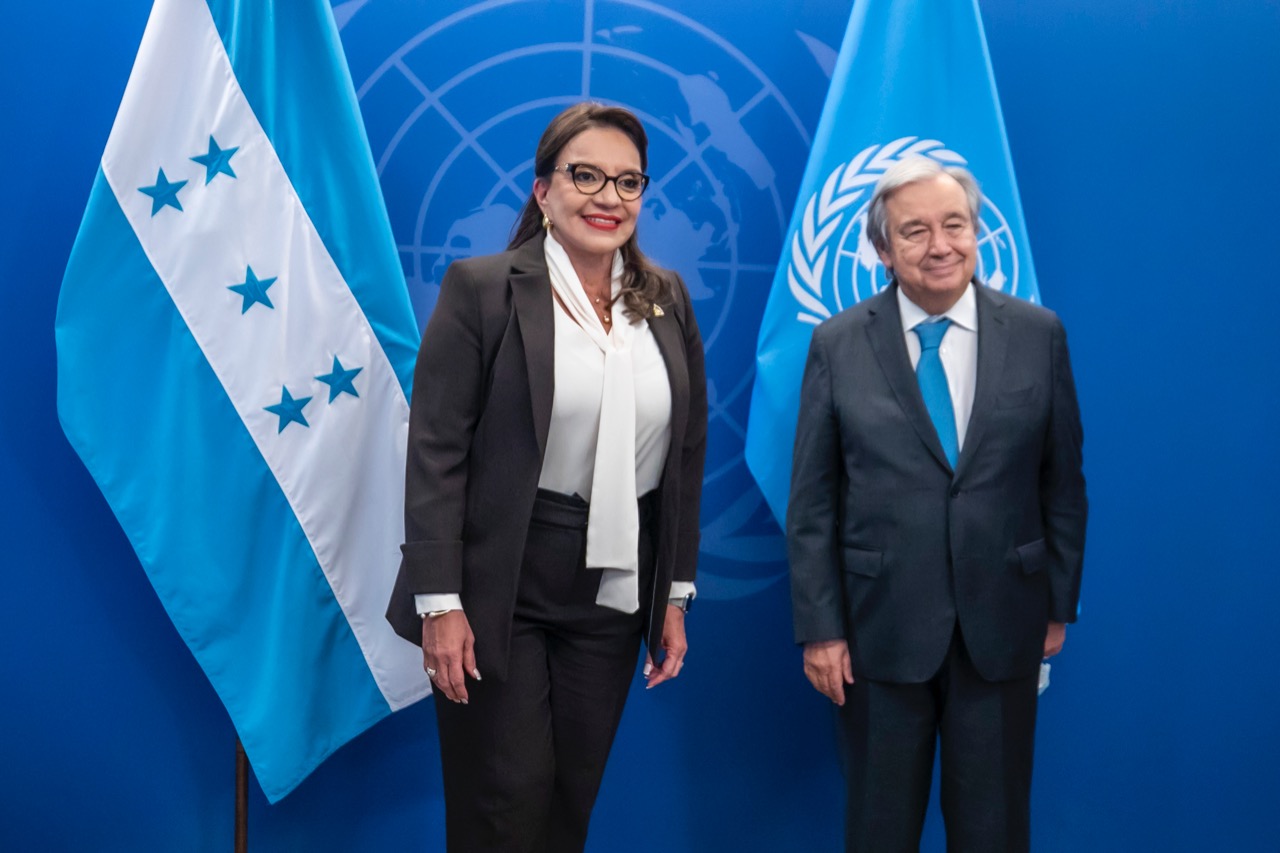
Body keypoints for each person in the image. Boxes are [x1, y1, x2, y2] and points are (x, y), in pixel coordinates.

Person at [385, 103, 707, 853]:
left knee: (570, 797)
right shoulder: (484, 288)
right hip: (502, 579)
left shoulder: (666, 298)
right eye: (586, 175)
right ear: (543, 189)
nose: (609, 197)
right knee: (503, 801)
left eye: (628, 182)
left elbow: (684, 452)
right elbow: (436, 450)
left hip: (615, 584)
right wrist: (440, 600)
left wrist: (675, 593)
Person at [787, 156, 1087, 852]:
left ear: (978, 232)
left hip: (1003, 628)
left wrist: (1056, 601)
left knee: (994, 832)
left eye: (955, 224)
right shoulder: (837, 344)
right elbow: (813, 502)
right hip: (875, 636)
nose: (940, 244)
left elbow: (1062, 482)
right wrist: (821, 628)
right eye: (915, 231)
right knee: (878, 831)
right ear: (883, 250)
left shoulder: (1039, 334)